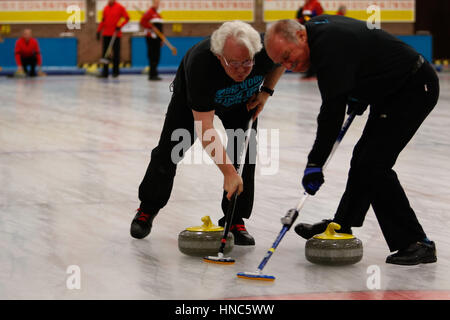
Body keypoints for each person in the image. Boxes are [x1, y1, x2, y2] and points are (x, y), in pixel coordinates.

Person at [264, 17, 439, 265]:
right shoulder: (318, 35)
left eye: (287, 56)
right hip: (392, 88)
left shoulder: (328, 46)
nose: (288, 65)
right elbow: (364, 53)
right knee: (363, 160)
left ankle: (416, 241)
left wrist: (315, 162)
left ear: (301, 37)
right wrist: (360, 89)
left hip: (413, 88)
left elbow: (331, 112)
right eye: (281, 63)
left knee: (373, 164)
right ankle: (341, 225)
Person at [130, 21, 285, 245]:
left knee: (244, 155)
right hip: (191, 101)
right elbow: (205, 128)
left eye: (247, 62)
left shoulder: (267, 48)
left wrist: (266, 92)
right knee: (170, 151)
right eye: (233, 63)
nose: (241, 69)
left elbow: (282, 60)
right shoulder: (201, 63)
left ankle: (234, 218)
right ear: (219, 55)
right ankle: (147, 208)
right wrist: (228, 174)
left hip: (243, 101)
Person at [96, 0, 129, 78]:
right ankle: (105, 73)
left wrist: (120, 25)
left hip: (115, 34)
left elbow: (127, 18)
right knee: (105, 54)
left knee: (116, 54)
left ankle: (115, 72)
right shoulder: (105, 8)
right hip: (106, 34)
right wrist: (98, 31)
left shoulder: (120, 7)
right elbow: (103, 21)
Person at [295, 0, 323, 80]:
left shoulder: (316, 4)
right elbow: (304, 18)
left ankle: (313, 72)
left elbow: (320, 16)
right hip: (306, 30)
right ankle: (309, 72)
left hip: (314, 30)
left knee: (314, 50)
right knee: (307, 51)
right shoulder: (305, 6)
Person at [140, 0, 164, 81]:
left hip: (158, 38)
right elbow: (142, 22)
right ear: (153, 3)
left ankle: (155, 73)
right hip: (151, 38)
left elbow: (160, 29)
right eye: (156, 3)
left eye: (158, 3)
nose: (157, 5)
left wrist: (162, 39)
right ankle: (152, 74)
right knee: (152, 56)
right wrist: (151, 27)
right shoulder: (149, 13)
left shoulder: (158, 15)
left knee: (157, 56)